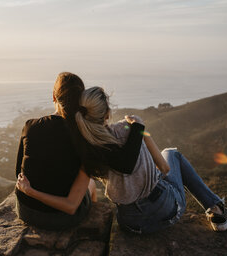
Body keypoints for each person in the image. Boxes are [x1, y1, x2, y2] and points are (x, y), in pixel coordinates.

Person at [16, 86, 227, 233]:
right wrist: (140, 128)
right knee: (173, 153)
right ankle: (217, 211)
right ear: (107, 112)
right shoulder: (130, 129)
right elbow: (165, 168)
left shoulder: (86, 145)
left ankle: (216, 208)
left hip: (130, 223)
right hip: (165, 212)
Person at [15, 73, 146, 230]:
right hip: (62, 218)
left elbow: (19, 172)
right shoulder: (84, 135)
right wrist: (138, 127)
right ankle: (94, 220)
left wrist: (30, 190)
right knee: (90, 183)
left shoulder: (30, 126)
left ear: (54, 97)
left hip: (25, 210)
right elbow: (126, 164)